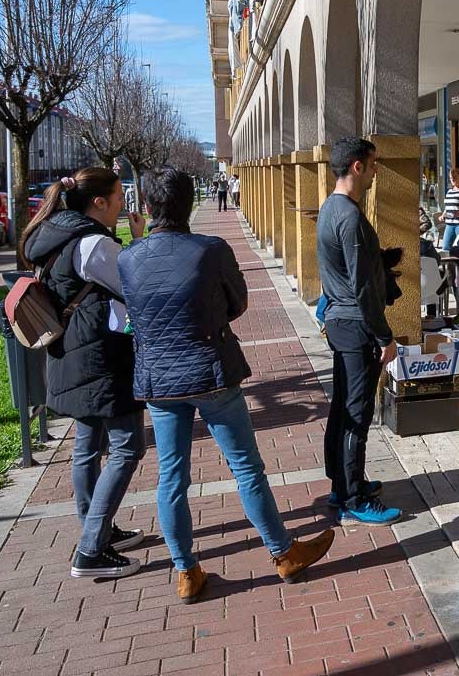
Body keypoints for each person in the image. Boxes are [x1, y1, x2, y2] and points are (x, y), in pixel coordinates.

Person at [119, 166, 334, 603]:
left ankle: (185, 571)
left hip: (159, 380)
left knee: (171, 478)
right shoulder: (210, 249)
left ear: (146, 207)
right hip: (210, 370)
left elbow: (136, 317)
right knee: (245, 468)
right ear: (187, 203)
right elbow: (237, 302)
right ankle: (283, 552)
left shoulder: (128, 258)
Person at [23, 168, 147, 579]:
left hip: (73, 354)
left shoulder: (56, 235)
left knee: (87, 448)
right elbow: (137, 287)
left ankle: (99, 531)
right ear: (99, 203)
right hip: (100, 359)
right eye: (117, 198)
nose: (120, 206)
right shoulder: (92, 244)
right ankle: (91, 549)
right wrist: (139, 240)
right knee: (128, 448)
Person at [318, 137, 399, 525]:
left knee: (342, 408)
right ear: (356, 167)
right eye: (373, 164)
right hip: (356, 326)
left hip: (343, 321)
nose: (376, 170)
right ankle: (353, 497)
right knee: (357, 412)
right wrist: (385, 337)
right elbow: (363, 288)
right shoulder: (349, 217)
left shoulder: (332, 209)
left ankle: (343, 483)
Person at [438, 167, 459, 253]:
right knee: (445, 247)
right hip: (449, 224)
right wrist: (443, 215)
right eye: (451, 178)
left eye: (454, 177)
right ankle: (449, 266)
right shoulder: (449, 191)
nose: (452, 179)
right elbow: (448, 207)